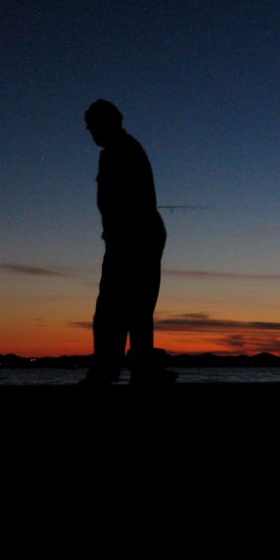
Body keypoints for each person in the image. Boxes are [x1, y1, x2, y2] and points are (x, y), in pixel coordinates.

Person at [82, 100, 177, 386]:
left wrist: (118, 234)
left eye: (94, 125)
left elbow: (126, 203)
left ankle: (112, 372)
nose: (91, 132)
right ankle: (138, 370)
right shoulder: (119, 150)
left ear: (110, 122)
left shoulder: (120, 152)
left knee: (115, 310)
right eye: (89, 127)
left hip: (134, 241)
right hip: (136, 238)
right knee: (134, 309)